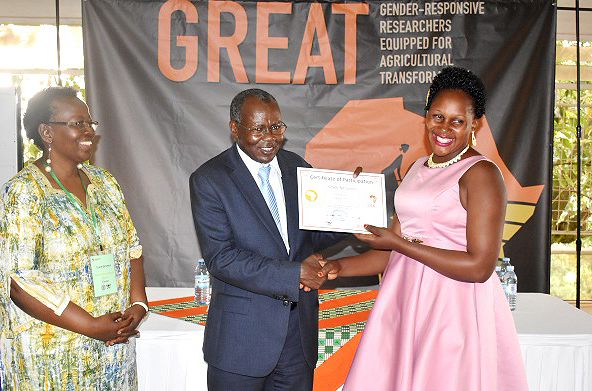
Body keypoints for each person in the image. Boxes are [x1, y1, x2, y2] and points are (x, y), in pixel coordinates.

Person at [323, 67, 529, 390]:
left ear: (475, 124)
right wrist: (337, 265)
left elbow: (479, 266)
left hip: (453, 309)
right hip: (404, 301)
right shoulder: (418, 166)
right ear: (426, 116)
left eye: (457, 121)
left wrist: (400, 243)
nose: (444, 128)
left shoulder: (482, 175)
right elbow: (389, 254)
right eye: (437, 116)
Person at [0, 87, 148, 390]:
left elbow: (132, 250)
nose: (88, 132)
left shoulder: (105, 184)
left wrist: (138, 305)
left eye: (90, 124)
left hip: (111, 350)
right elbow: (19, 282)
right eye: (77, 123)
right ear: (47, 132)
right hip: (49, 356)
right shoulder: (23, 193)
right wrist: (92, 326)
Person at [189, 88, 346, 391]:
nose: (270, 137)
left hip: (297, 338)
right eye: (258, 128)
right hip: (241, 341)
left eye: (276, 127)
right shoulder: (210, 179)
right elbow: (222, 258)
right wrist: (294, 273)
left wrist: (350, 219)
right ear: (235, 129)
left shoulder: (296, 166)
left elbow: (311, 234)